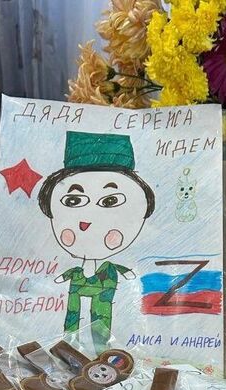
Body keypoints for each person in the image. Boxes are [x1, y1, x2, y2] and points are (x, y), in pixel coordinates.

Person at [38, 131, 155, 353]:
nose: (88, 220)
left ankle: (101, 348)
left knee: (102, 315)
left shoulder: (109, 270)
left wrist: (126, 272)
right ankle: (69, 345)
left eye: (110, 201)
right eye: (74, 200)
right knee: (73, 311)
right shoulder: (76, 273)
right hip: (80, 287)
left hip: (104, 289)